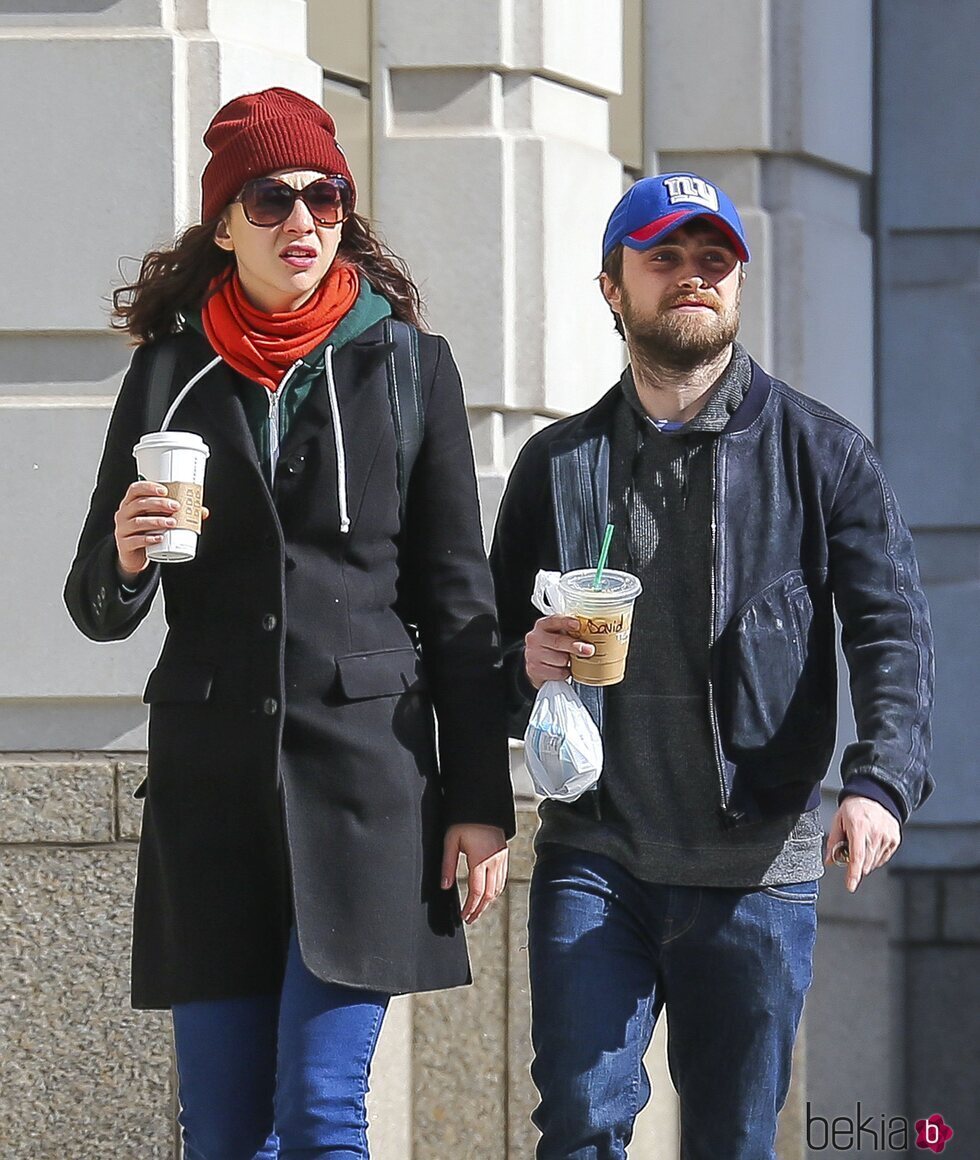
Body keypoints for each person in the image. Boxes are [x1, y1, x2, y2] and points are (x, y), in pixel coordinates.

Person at [65, 87, 514, 1160]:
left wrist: (479, 798)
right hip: (209, 787)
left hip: (365, 781)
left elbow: (457, 599)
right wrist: (126, 556)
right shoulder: (169, 373)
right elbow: (93, 601)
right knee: (222, 1132)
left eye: (324, 197)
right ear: (225, 223)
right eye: (270, 199)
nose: (302, 221)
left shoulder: (406, 365)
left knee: (319, 1113)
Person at [490, 172, 934, 1159]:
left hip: (758, 857)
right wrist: (519, 664)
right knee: (578, 1119)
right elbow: (481, 655)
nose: (692, 277)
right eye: (663, 258)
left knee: (732, 1139)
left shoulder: (822, 455)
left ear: (736, 284)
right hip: (594, 850)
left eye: (712, 260)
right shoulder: (555, 465)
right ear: (612, 287)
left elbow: (889, 629)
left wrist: (878, 783)